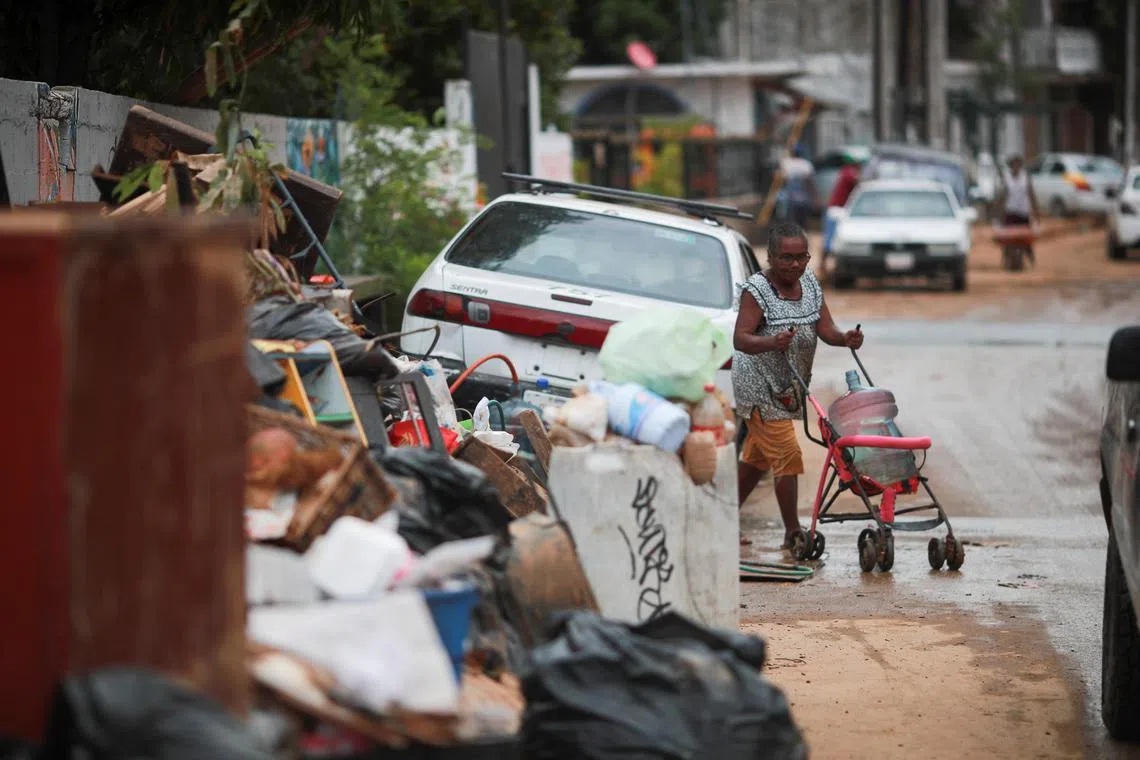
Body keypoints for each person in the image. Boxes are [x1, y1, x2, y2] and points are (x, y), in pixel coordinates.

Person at [733, 222, 864, 549]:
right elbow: (741, 339)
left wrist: (844, 338)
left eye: (800, 257)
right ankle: (793, 532)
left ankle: (720, 517)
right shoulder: (757, 290)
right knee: (787, 455)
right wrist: (771, 341)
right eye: (785, 258)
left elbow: (826, 328)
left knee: (757, 459)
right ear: (771, 257)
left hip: (790, 386)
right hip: (758, 386)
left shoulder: (810, 283)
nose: (793, 264)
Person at [1000, 153, 1039, 266]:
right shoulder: (1007, 178)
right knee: (1007, 238)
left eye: (1018, 164)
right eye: (1014, 164)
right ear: (1011, 166)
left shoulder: (1025, 177)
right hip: (1010, 212)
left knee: (1026, 239)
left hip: (1024, 212)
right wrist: (999, 213)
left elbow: (1031, 194)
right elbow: (1003, 195)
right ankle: (1006, 257)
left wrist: (1036, 213)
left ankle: (1030, 258)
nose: (1016, 166)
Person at [822, 153, 862, 259]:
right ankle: (825, 265)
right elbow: (858, 181)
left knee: (831, 239)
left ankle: (824, 264)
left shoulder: (844, 171)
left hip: (838, 208)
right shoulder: (849, 172)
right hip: (838, 209)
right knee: (833, 241)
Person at [780, 146, 816, 230]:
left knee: (791, 218)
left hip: (791, 195)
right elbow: (810, 182)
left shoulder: (786, 162)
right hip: (803, 195)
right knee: (803, 219)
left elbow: (782, 178)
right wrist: (814, 197)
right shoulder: (806, 164)